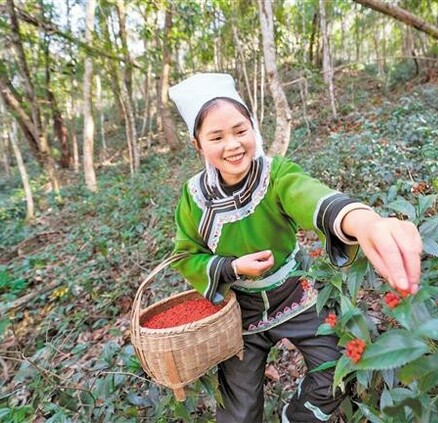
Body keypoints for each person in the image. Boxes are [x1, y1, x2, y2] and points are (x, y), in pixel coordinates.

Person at [168, 73, 422, 423]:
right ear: (198, 145)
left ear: (253, 128)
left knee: (337, 368)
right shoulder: (193, 198)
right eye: (216, 137)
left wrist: (365, 222)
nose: (232, 145)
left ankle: (296, 416)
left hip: (295, 294)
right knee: (238, 412)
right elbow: (185, 255)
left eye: (241, 131)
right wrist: (233, 268)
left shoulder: (276, 174)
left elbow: (307, 194)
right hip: (238, 311)